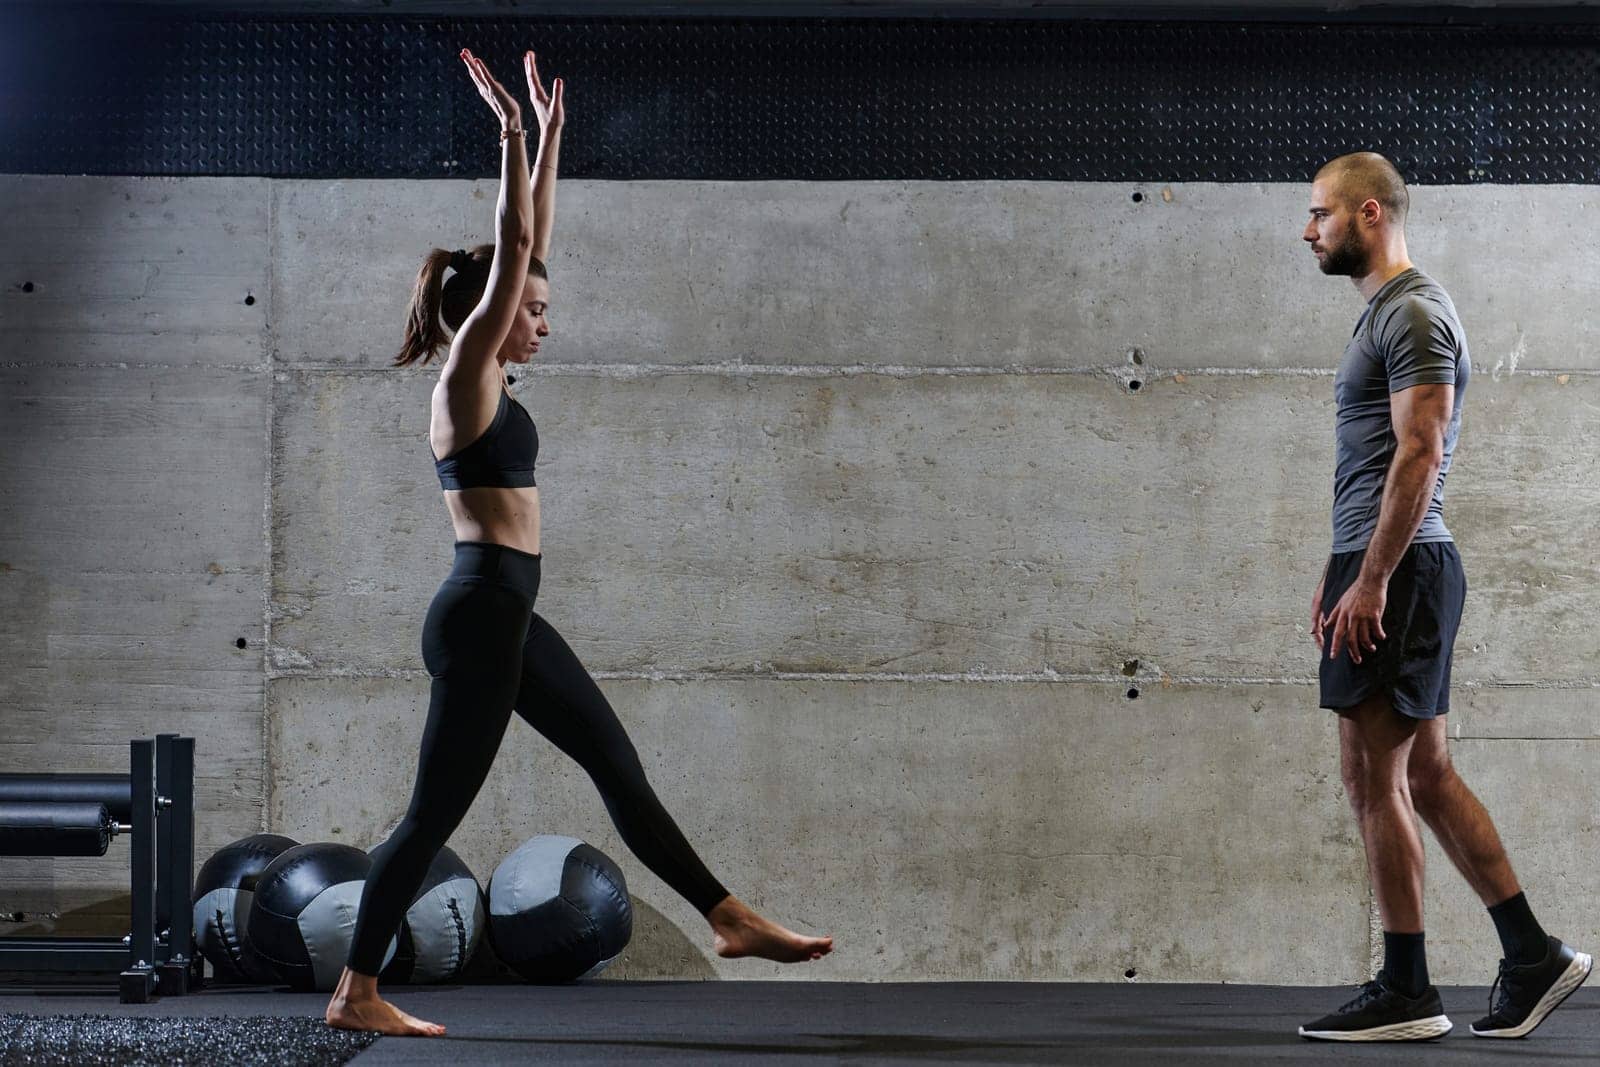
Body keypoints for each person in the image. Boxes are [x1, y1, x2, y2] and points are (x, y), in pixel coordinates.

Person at [324, 48, 833, 1038]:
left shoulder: (497, 376)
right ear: (491, 311)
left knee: (614, 761)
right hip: (478, 615)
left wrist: (555, 141)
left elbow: (530, 243)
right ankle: (356, 990)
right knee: (431, 817)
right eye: (535, 312)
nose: (545, 325)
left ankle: (727, 915)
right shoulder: (465, 375)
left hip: (507, 611)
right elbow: (514, 246)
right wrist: (511, 135)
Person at [1297, 152, 1590, 1042]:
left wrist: (1374, 576)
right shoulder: (1387, 313)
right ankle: (1531, 954)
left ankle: (1407, 988)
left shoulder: (1415, 312)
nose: (1308, 230)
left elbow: (1419, 452)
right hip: (1386, 562)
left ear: (1371, 214)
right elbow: (1380, 464)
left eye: (1321, 214)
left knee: (1370, 776)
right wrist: (1344, 569)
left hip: (1405, 567)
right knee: (1422, 773)